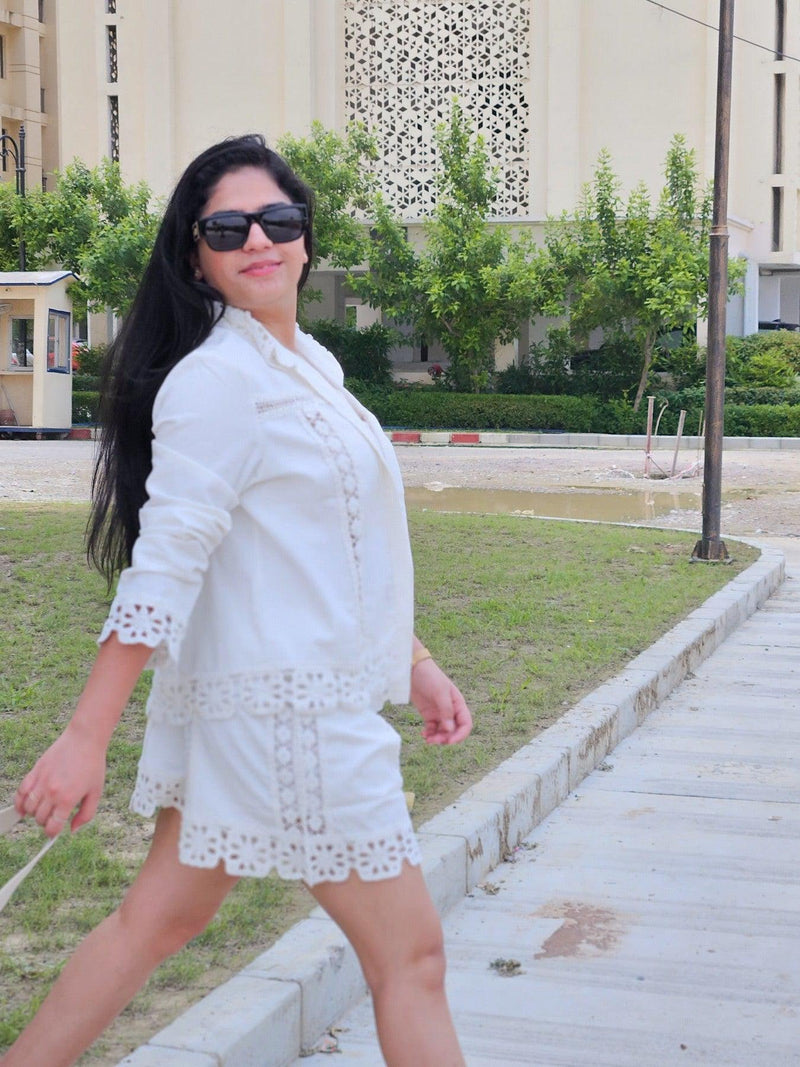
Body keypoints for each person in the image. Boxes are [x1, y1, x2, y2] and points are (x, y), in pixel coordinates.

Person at [2, 134, 472, 1067]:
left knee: (152, 922)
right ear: (197, 259)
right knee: (411, 957)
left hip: (262, 707)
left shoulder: (310, 366)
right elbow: (165, 566)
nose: (258, 238)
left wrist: (412, 658)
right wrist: (86, 735)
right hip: (297, 720)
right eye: (227, 228)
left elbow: (331, 546)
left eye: (278, 219)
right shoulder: (217, 381)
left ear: (305, 237)